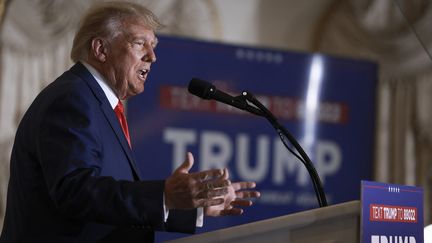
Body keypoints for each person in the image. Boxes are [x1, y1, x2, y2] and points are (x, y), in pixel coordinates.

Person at [0, 1, 260, 242]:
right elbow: (76, 191)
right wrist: (164, 196)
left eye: (153, 46)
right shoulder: (73, 99)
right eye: (139, 44)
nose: (152, 56)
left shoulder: (97, 103)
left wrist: (192, 207)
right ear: (100, 49)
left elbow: (110, 206)